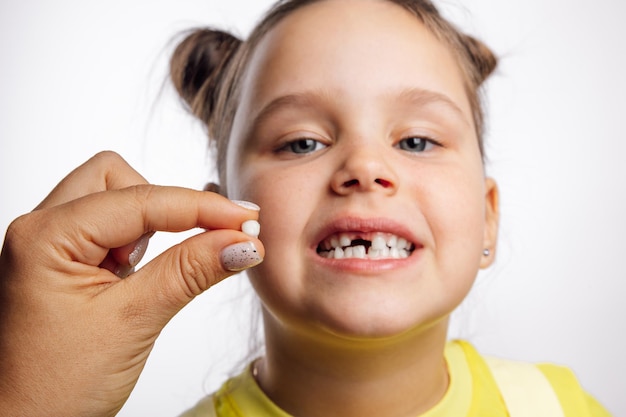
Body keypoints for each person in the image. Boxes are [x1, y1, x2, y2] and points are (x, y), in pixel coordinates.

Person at [0, 0, 613, 416]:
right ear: (221, 216)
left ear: (488, 219)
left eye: (417, 141)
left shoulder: (556, 404)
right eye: (302, 142)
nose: (365, 168)